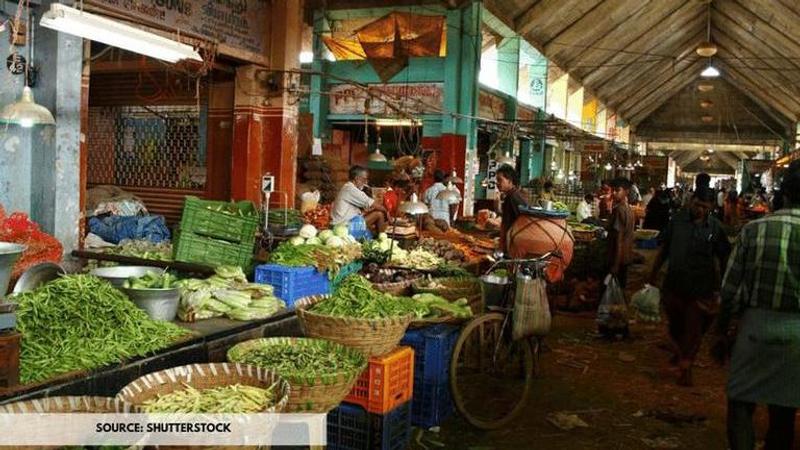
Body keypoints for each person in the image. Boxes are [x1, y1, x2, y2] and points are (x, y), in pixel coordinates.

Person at [712, 159, 800, 450]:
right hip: (797, 337)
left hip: (755, 330)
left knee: (740, 403)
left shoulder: (754, 230)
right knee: (784, 411)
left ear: (781, 195)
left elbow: (730, 291)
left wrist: (721, 332)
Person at [650, 186, 731, 386]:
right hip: (674, 285)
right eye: (697, 205)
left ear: (711, 207)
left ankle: (686, 365)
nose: (700, 210)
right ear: (691, 201)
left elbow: (724, 257)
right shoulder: (677, 221)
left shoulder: (715, 228)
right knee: (675, 326)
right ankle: (681, 354)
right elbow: (665, 249)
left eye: (704, 207)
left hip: (701, 288)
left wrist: (722, 287)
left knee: (694, 329)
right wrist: (652, 273)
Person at [331, 166, 387, 235]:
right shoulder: (351, 189)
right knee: (379, 214)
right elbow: (376, 205)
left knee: (372, 228)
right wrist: (387, 214)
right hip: (344, 227)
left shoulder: (348, 187)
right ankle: (383, 238)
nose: (365, 183)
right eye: (364, 180)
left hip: (345, 223)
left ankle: (378, 236)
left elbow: (361, 210)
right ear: (357, 178)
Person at [606, 177, 636, 290]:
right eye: (612, 190)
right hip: (626, 258)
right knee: (619, 291)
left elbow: (619, 240)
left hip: (617, 258)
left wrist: (615, 265)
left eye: (617, 190)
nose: (614, 193)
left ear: (626, 191)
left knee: (612, 293)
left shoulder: (619, 210)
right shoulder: (629, 209)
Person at [496, 164, 527, 254]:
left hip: (515, 241)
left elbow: (505, 225)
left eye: (500, 180)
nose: (497, 183)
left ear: (509, 180)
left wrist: (501, 247)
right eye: (496, 180)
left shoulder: (511, 198)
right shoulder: (516, 195)